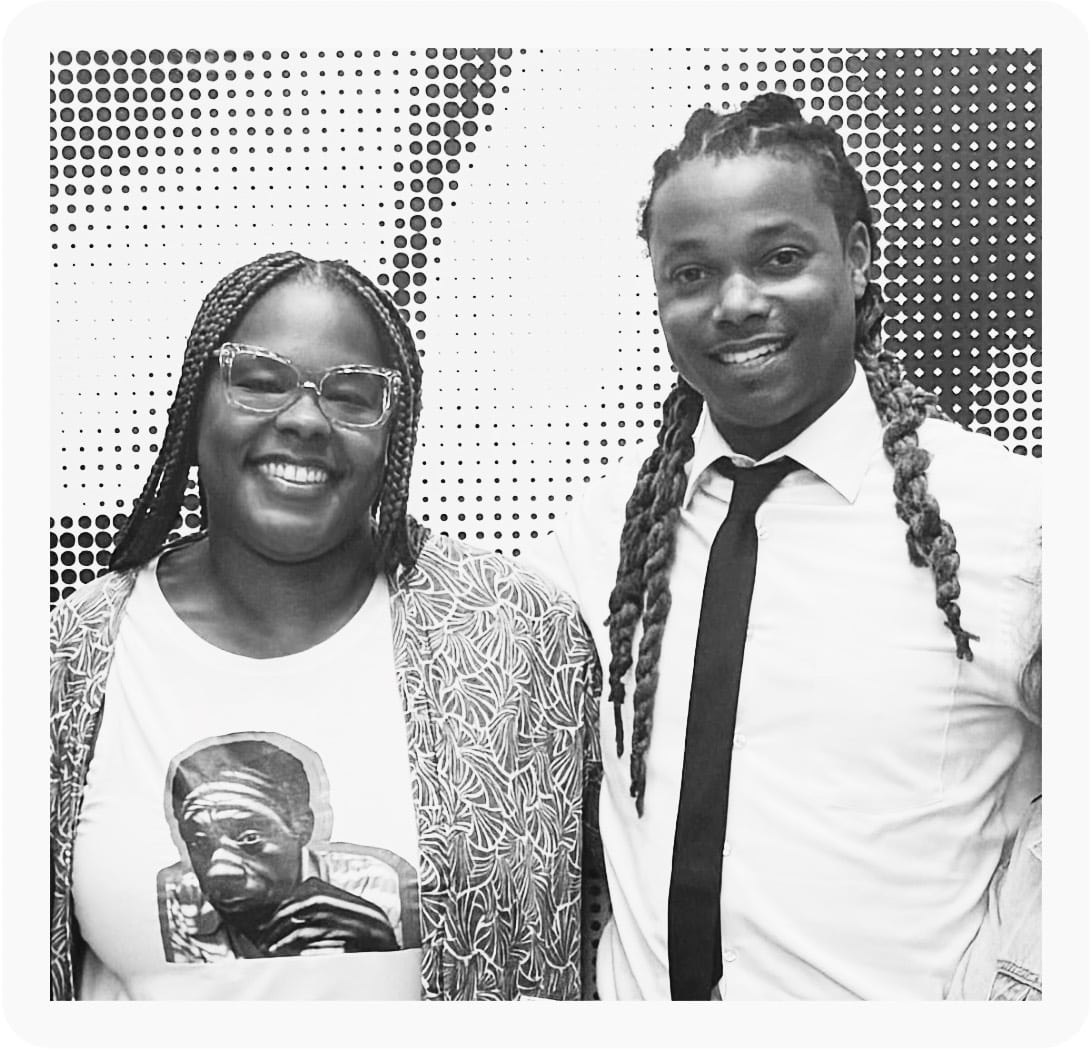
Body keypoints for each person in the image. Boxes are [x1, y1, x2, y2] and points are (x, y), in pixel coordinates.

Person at [524, 94, 1041, 1000]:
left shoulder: (1018, 524)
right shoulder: (598, 535)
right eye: (690, 274)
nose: (734, 302)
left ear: (860, 257)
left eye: (781, 258)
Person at [50, 251, 600, 1001]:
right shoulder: (68, 659)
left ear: (391, 434)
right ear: (194, 403)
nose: (305, 418)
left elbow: (612, 902)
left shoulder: (516, 634)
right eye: (260, 379)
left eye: (351, 394)